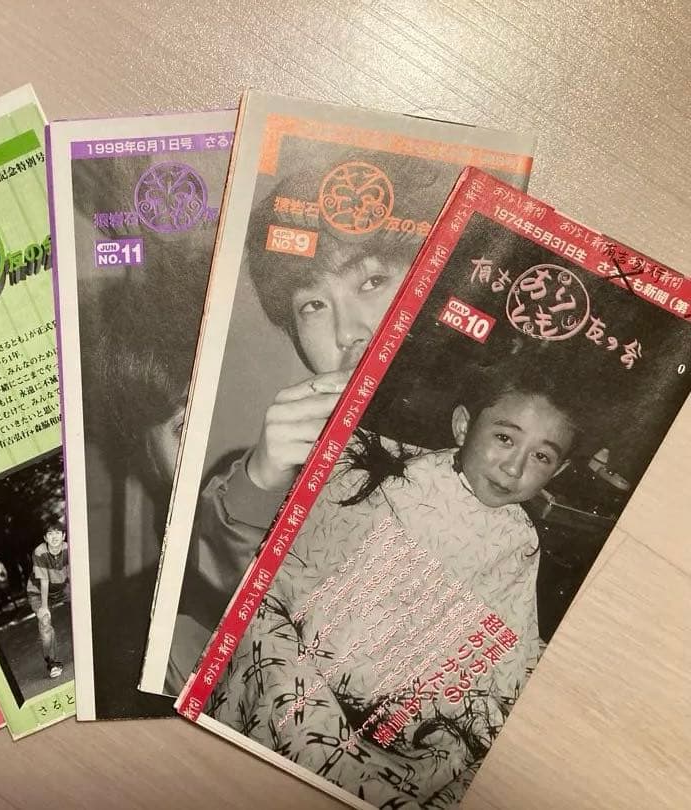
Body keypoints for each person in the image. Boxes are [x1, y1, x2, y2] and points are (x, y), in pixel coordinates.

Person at [207, 361, 583, 806]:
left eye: (542, 457)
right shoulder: (394, 480)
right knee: (308, 731)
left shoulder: (520, 540)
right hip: (311, 654)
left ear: (559, 471)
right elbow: (309, 572)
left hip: (408, 703)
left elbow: (502, 643)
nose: (514, 467)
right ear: (463, 427)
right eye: (504, 438)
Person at [168, 159, 439, 691]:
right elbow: (227, 598)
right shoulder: (288, 459)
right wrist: (262, 481)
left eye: (373, 281)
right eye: (313, 305)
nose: (348, 332)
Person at [25, 526, 70, 679]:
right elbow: (44, 581)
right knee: (45, 622)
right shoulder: (40, 552)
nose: (54, 536)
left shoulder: (68, 549)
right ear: (45, 538)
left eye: (57, 532)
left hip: (62, 588)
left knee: (87, 606)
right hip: (39, 592)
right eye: (50, 533)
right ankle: (53, 663)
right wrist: (44, 607)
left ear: (63, 535)